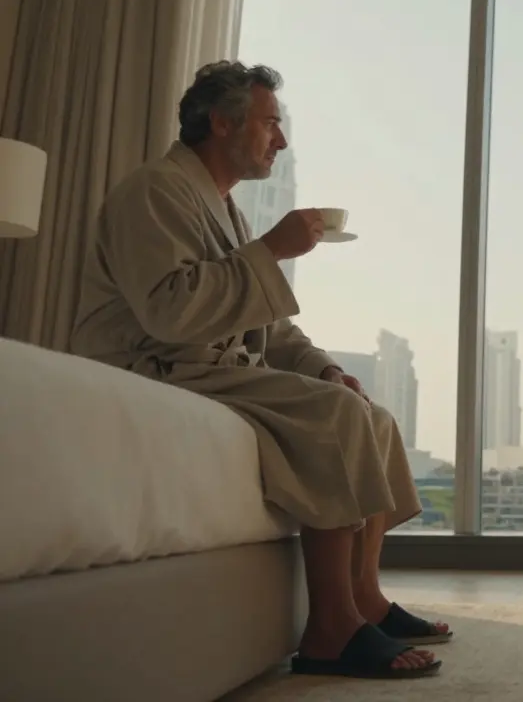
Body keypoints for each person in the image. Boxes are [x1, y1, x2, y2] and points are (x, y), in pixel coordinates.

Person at [70, 61, 451, 680]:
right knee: (337, 418)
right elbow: (170, 310)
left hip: (208, 367)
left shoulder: (225, 210)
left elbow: (266, 328)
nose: (282, 140)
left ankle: (366, 600)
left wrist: (323, 366)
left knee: (369, 415)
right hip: (155, 366)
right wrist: (271, 250)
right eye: (272, 123)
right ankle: (331, 630)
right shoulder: (154, 191)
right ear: (222, 123)